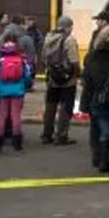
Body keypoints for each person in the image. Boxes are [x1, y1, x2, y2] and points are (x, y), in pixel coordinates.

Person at [83, 34, 109, 172]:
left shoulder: (92, 60)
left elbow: (87, 83)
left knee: (104, 132)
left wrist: (86, 104)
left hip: (97, 102)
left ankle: (102, 161)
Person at [41, 16, 81, 146]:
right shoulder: (69, 39)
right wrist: (76, 74)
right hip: (67, 79)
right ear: (69, 26)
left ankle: (47, 134)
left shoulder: (48, 37)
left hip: (52, 77)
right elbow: (74, 60)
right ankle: (61, 136)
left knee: (50, 105)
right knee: (65, 106)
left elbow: (43, 58)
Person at [0, 41, 34, 152]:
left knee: (1, 116)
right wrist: (25, 87)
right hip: (18, 92)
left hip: (2, 92)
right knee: (16, 116)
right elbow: (27, 77)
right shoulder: (22, 61)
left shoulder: (0, 62)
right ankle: (17, 144)